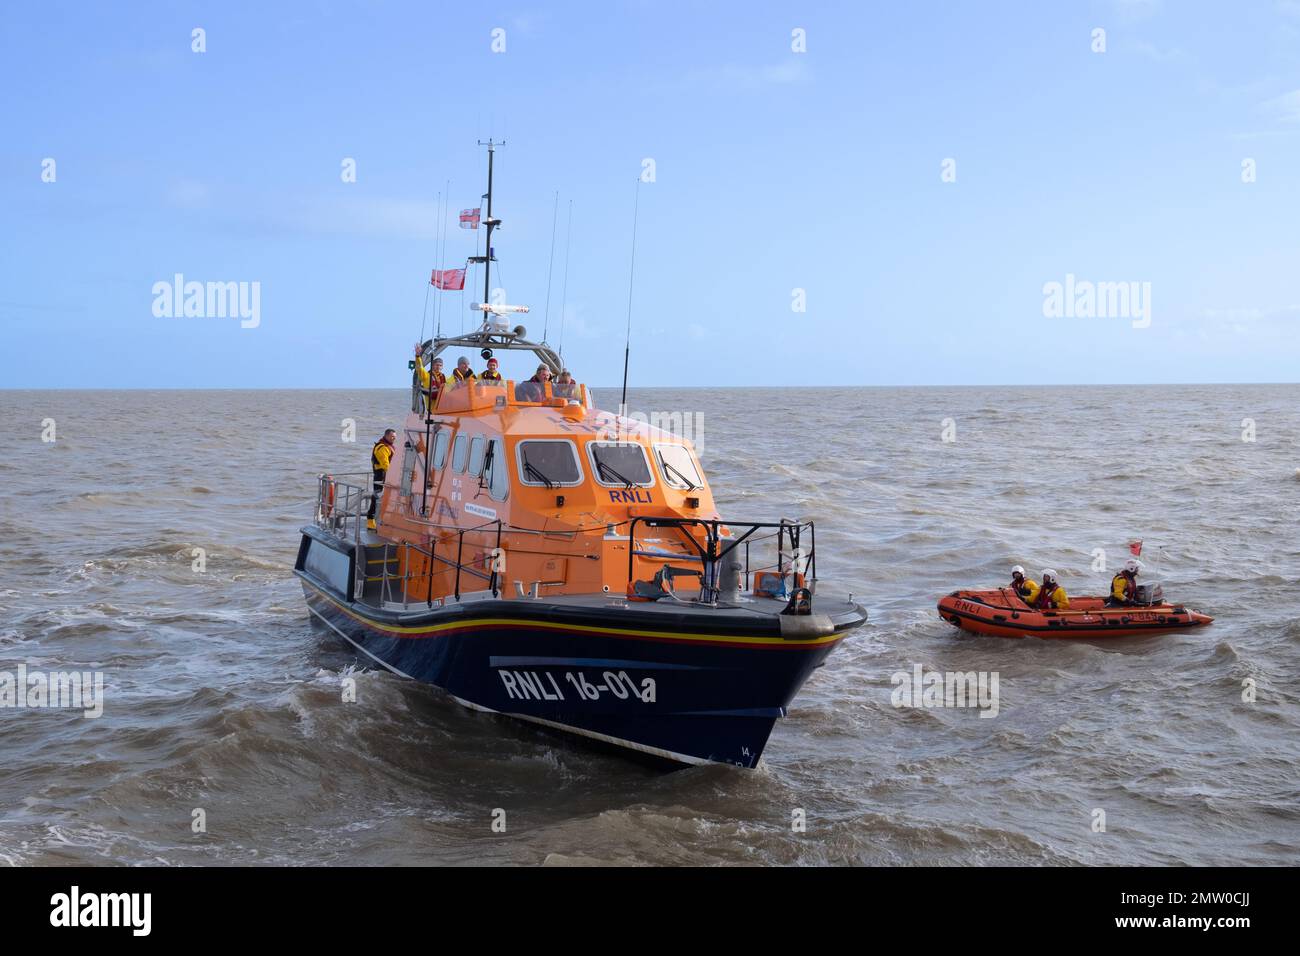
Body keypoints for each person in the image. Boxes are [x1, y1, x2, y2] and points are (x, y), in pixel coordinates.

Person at [367, 429, 396, 531]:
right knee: (376, 496)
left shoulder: (389, 446)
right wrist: (394, 475)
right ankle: (370, 520)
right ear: (387, 436)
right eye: (392, 436)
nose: (394, 438)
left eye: (395, 436)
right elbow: (385, 464)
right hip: (381, 475)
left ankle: (384, 518)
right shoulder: (381, 448)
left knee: (386, 497)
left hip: (387, 475)